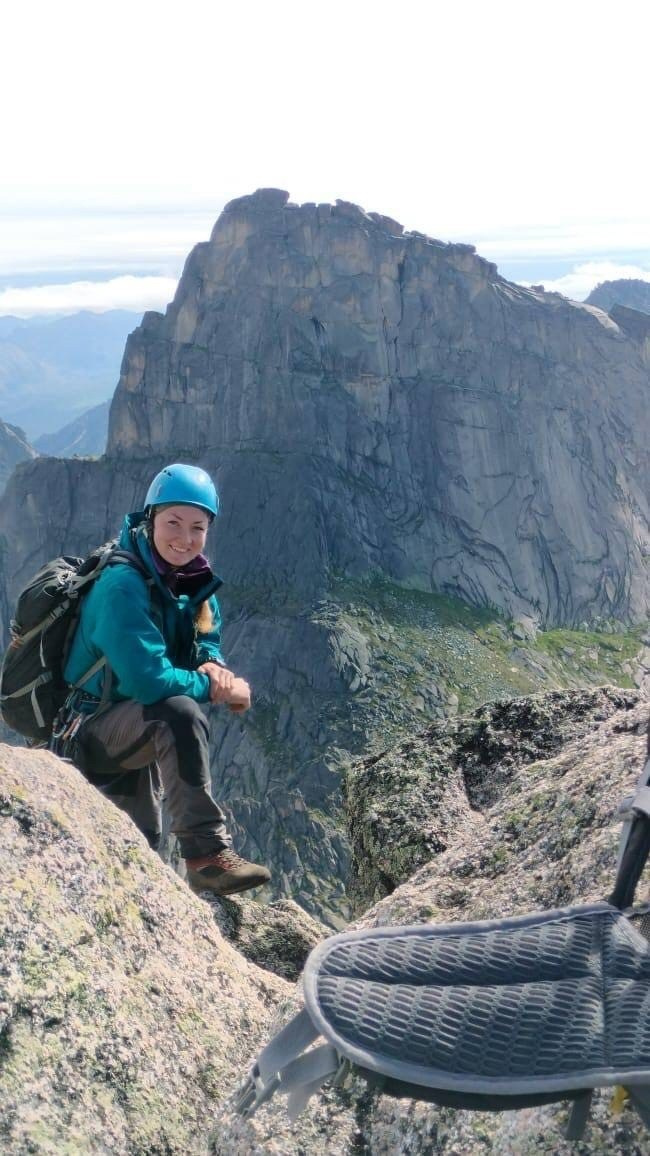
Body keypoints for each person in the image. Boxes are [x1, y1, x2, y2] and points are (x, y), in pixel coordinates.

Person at [63, 462, 271, 897]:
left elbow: (205, 633)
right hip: (92, 728)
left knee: (138, 856)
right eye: (173, 522)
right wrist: (217, 688)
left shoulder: (190, 579)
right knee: (180, 712)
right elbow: (150, 683)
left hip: (131, 722)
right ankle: (207, 855)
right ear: (150, 518)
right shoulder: (122, 585)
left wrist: (211, 662)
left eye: (198, 527)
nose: (185, 538)